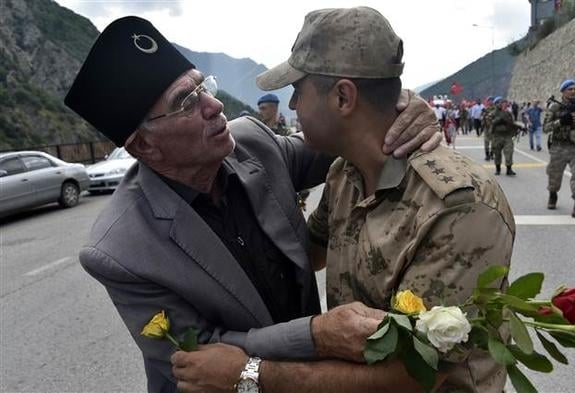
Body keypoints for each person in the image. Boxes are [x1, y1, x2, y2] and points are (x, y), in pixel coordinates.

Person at [64, 16, 441, 393]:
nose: (214, 106)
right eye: (187, 102)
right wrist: (315, 335)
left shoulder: (252, 143)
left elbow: (345, 132)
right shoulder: (119, 250)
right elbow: (196, 357)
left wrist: (400, 107)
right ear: (144, 146)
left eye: (204, 87)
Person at [172, 7, 515, 393]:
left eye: (298, 92)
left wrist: (251, 374)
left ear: (343, 97)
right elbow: (308, 253)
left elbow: (414, 375)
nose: (293, 107)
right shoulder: (344, 174)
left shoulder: (458, 206)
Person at [543, 79, 575, 221]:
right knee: (554, 176)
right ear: (563, 91)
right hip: (559, 147)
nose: (573, 91)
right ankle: (553, 194)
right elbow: (545, 128)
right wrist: (562, 121)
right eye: (570, 89)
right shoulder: (554, 108)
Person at [491, 96, 517, 176]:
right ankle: (498, 169)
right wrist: (499, 119)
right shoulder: (493, 113)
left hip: (507, 136)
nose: (502, 104)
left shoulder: (508, 113)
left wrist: (516, 130)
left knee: (509, 152)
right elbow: (490, 123)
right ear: (496, 104)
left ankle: (509, 169)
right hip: (497, 136)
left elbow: (511, 123)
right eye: (500, 103)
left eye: (503, 102)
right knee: (497, 153)